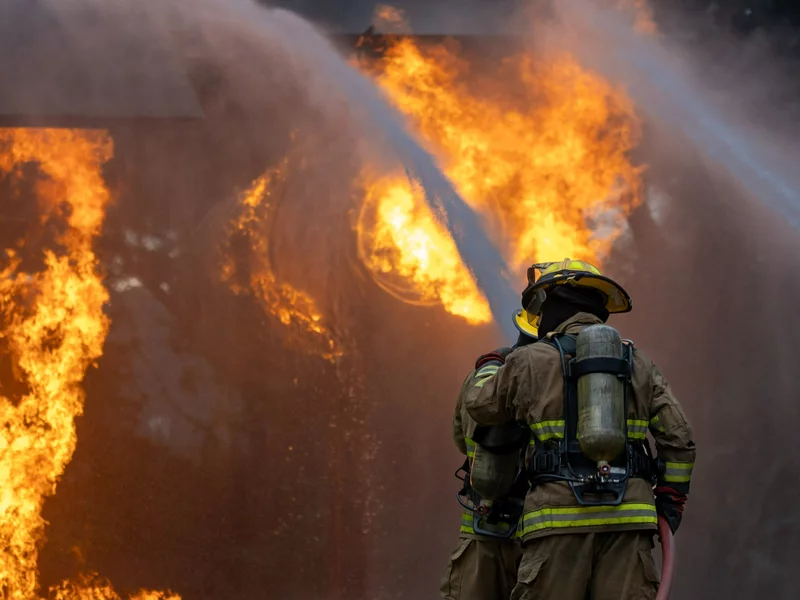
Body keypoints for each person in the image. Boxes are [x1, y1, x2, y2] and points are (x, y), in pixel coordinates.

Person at [465, 259, 696, 600]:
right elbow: (680, 440)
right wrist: (670, 502)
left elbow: (480, 406)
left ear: (557, 306)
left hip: (555, 522)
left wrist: (490, 367)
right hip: (629, 521)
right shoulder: (638, 362)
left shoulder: (529, 361)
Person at [440, 309, 538, 600]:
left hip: (483, 528)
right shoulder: (559, 381)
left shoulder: (481, 377)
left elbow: (461, 438)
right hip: (541, 536)